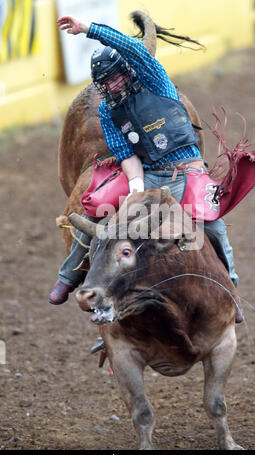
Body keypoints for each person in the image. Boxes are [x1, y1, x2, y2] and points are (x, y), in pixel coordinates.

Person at [49, 16, 240, 323]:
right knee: (95, 212)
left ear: (127, 71)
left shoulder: (154, 78)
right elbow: (125, 154)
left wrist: (87, 29)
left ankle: (229, 286)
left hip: (187, 168)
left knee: (213, 224)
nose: (112, 86)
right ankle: (69, 276)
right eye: (106, 83)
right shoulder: (106, 108)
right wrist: (136, 189)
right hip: (146, 172)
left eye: (115, 78)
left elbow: (129, 47)